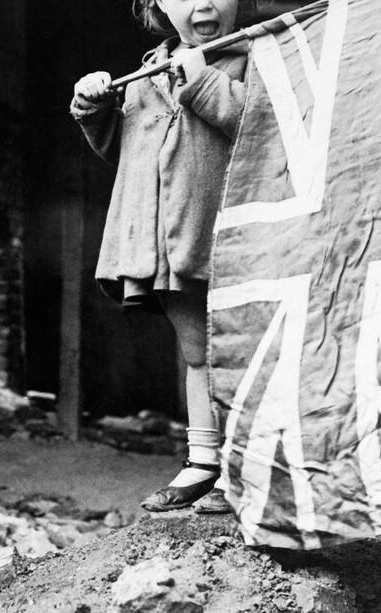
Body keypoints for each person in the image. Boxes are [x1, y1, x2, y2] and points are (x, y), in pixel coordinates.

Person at [71, 0, 257, 514]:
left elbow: (267, 131)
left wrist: (203, 84)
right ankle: (204, 461)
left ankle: (245, 471)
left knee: (240, 352)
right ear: (155, 4)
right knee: (197, 352)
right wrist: (96, 109)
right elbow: (130, 150)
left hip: (231, 234)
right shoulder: (147, 71)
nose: (202, 3)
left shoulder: (258, 56)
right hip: (171, 240)